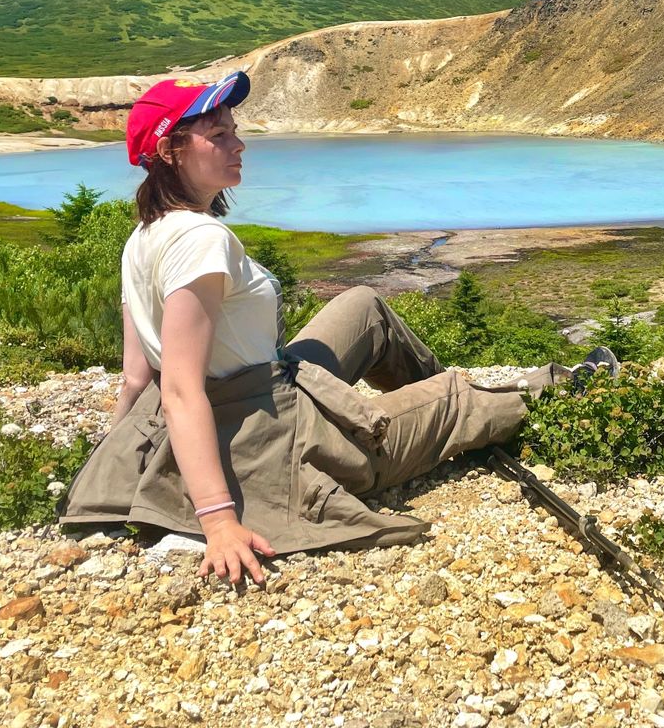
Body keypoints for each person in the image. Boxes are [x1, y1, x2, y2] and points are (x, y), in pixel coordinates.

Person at [60, 71, 617, 584]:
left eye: (234, 130)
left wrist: (118, 466)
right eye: (217, 134)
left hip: (260, 390)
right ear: (167, 150)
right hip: (268, 438)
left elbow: (138, 377)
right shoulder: (200, 240)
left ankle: (416, 417)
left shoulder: (145, 235)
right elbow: (180, 389)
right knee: (458, 395)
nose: (238, 144)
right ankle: (564, 389)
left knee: (363, 304)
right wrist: (218, 521)